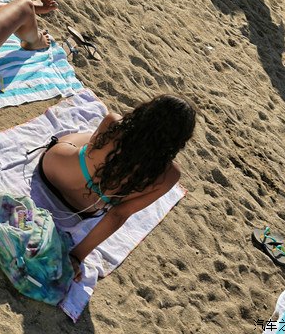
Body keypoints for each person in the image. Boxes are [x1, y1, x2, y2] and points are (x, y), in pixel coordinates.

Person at [38, 94, 196, 278]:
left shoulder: (113, 123)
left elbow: (92, 150)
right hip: (83, 208)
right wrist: (77, 256)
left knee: (86, 142)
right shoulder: (169, 175)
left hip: (54, 171)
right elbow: (119, 214)